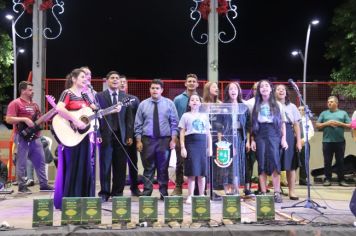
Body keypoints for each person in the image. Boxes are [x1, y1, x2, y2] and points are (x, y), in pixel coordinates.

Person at [54, 68, 108, 209]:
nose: (85, 79)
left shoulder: (86, 95)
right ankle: (71, 201)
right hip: (71, 135)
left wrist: (113, 109)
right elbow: (59, 108)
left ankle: (85, 200)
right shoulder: (68, 93)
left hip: (84, 137)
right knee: (74, 166)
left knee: (86, 167)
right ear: (74, 79)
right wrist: (75, 120)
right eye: (82, 77)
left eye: (86, 77)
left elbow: (95, 112)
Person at [134, 79, 179, 200]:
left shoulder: (169, 103)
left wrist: (173, 139)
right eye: (153, 88)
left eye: (157, 88)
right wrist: (138, 140)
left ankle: (164, 193)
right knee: (148, 168)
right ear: (150, 89)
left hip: (164, 141)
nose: (155, 90)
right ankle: (147, 194)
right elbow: (138, 124)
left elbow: (174, 123)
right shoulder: (143, 105)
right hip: (147, 141)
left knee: (163, 168)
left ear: (162, 90)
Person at [5, 81, 53, 194]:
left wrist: (54, 110)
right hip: (22, 137)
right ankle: (22, 187)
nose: (33, 92)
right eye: (30, 90)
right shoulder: (15, 103)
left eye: (32, 90)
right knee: (21, 163)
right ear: (23, 91)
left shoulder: (35, 105)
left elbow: (42, 119)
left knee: (41, 161)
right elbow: (8, 119)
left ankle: (44, 185)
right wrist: (24, 119)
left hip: (36, 138)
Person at [95, 71, 133, 202]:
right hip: (105, 136)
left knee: (120, 166)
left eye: (117, 78)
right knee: (105, 165)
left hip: (121, 137)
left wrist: (129, 135)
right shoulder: (99, 96)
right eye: (112, 78)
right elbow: (96, 117)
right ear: (107, 81)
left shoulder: (125, 96)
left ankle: (117, 193)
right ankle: (104, 193)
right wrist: (98, 133)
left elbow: (129, 118)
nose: (115, 80)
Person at [250, 80, 288, 203]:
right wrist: (252, 140)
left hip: (274, 134)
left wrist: (283, 139)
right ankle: (263, 191)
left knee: (275, 163)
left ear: (271, 89)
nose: (264, 88)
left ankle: (277, 192)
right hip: (260, 133)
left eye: (267, 86)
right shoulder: (255, 105)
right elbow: (252, 125)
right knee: (261, 162)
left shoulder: (278, 105)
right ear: (259, 90)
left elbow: (282, 123)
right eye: (262, 86)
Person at [217, 82, 250, 195]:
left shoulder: (244, 107)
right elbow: (219, 126)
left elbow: (248, 126)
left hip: (240, 138)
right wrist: (221, 143)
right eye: (230, 88)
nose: (233, 90)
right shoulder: (223, 106)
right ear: (227, 92)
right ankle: (227, 190)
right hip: (226, 139)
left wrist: (248, 141)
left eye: (235, 88)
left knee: (238, 164)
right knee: (227, 165)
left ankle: (236, 189)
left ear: (239, 91)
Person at [179, 93, 211, 204]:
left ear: (200, 102)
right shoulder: (185, 116)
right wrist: (183, 147)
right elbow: (182, 132)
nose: (195, 101)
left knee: (202, 173)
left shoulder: (204, 116)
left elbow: (208, 133)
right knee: (191, 172)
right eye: (192, 100)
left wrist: (209, 147)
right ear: (189, 103)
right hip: (190, 144)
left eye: (197, 99)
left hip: (202, 144)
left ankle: (202, 195)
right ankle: (190, 196)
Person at [171, 73, 199, 196]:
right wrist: (175, 135)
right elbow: (173, 118)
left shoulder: (200, 100)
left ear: (197, 84)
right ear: (185, 83)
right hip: (180, 136)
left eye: (194, 81)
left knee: (196, 162)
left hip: (195, 138)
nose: (192, 83)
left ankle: (197, 190)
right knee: (180, 162)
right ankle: (178, 187)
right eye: (189, 81)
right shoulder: (177, 99)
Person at [316, 96, 351, 187]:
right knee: (327, 161)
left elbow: (350, 125)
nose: (329, 103)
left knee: (340, 161)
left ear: (336, 103)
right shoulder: (324, 113)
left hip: (340, 142)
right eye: (328, 102)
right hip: (327, 142)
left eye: (331, 102)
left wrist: (340, 124)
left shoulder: (343, 113)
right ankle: (327, 179)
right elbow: (317, 125)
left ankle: (341, 180)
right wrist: (327, 123)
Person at [275, 84, 302, 200]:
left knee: (291, 164)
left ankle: (292, 191)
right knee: (275, 164)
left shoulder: (292, 107)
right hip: (274, 133)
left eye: (283, 89)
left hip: (289, 135)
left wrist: (299, 141)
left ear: (286, 92)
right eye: (278, 89)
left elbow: (296, 125)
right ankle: (276, 192)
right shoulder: (272, 106)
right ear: (274, 92)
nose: (281, 91)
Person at [118, 75, 142, 197]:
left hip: (131, 137)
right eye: (120, 82)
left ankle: (134, 188)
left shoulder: (134, 99)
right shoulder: (114, 100)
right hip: (118, 137)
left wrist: (136, 137)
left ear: (127, 85)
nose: (122, 84)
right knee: (119, 164)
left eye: (124, 82)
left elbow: (138, 119)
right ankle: (118, 189)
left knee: (133, 163)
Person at [298, 106, 315, 185]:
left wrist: (303, 140)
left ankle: (303, 179)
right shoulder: (294, 120)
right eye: (299, 110)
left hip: (304, 143)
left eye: (303, 110)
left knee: (305, 161)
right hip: (294, 143)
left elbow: (311, 132)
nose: (301, 111)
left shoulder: (308, 120)